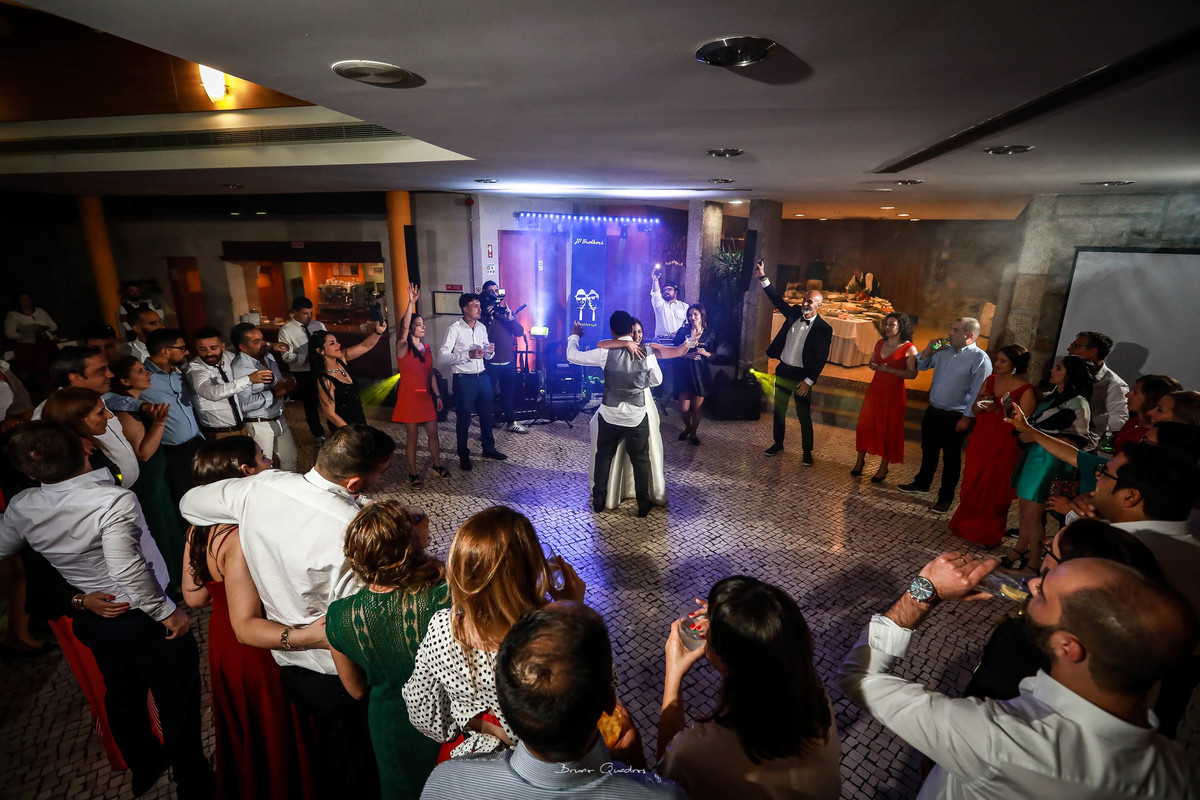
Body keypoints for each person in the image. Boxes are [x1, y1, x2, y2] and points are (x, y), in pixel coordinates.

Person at [837, 551, 1200, 798]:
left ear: (1068, 647)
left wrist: (925, 590)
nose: (1034, 585)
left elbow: (860, 678)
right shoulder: (1178, 772)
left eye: (1047, 593)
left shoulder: (1000, 742)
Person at [179, 423, 396, 799]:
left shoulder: (261, 486)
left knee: (323, 759)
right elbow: (363, 619)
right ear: (355, 482)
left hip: (289, 669)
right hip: (341, 675)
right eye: (381, 472)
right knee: (361, 770)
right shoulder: (354, 533)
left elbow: (189, 503)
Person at [0, 423, 212, 800]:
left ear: (29, 473)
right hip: (140, 617)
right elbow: (126, 569)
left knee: (122, 693)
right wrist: (166, 613)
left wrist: (74, 592)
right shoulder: (112, 500)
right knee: (176, 697)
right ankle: (193, 781)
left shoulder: (21, 505)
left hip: (94, 619)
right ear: (85, 448)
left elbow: (4, 547)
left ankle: (145, 763)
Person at [421, 602, 687, 800]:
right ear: (609, 702)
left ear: (506, 706)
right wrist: (637, 770)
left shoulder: (446, 783)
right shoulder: (663, 795)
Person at [181, 436, 321, 800]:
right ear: (246, 472)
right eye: (262, 458)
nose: (270, 460)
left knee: (248, 726)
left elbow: (194, 596)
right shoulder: (240, 536)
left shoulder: (198, 527)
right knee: (276, 726)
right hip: (257, 646)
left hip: (222, 642)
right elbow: (248, 617)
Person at [403, 506, 585, 759]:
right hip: (545, 768)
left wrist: (480, 724)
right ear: (531, 569)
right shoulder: (554, 638)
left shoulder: (444, 628)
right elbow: (596, 705)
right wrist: (574, 612)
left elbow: (424, 713)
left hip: (472, 765)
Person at [658, 577, 842, 800]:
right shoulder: (815, 697)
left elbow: (661, 785)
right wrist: (734, 621)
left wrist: (673, 677)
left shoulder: (696, 751)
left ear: (722, 656)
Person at [961, 518, 1164, 703]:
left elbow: (978, 704)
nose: (1034, 583)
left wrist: (938, 590)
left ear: (1067, 573)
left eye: (1049, 551)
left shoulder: (1026, 638)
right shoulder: (1121, 644)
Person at [326, 501, 452, 799]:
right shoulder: (446, 594)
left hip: (390, 729)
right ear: (408, 546)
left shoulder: (339, 616)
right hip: (448, 718)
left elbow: (356, 689)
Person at [567, 312, 663, 516]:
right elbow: (657, 380)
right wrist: (640, 382)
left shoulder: (604, 352)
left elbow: (572, 356)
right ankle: (643, 504)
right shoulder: (647, 353)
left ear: (612, 331)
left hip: (610, 414)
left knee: (603, 456)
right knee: (640, 458)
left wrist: (575, 335)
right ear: (631, 330)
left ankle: (599, 500)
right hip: (636, 415)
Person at [589, 319, 690, 511]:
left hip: (640, 402)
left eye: (640, 332)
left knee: (641, 451)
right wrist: (626, 345)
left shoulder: (648, 349)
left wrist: (690, 342)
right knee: (616, 445)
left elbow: (677, 352)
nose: (637, 336)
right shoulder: (616, 348)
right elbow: (601, 343)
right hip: (624, 407)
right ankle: (619, 494)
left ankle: (638, 494)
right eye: (633, 332)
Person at [1005, 355, 1093, 572]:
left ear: (1070, 375)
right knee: (1025, 508)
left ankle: (1035, 561)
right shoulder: (1053, 395)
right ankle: (1020, 549)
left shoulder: (1078, 403)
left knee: (1033, 513)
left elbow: (1078, 440)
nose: (1052, 371)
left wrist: (1036, 436)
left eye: (1058, 368)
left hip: (1051, 461)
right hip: (1035, 456)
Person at [898, 317, 992, 512]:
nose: (950, 333)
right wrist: (929, 349)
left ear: (970, 335)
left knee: (951, 458)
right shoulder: (943, 351)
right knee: (928, 450)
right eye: (951, 329)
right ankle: (922, 484)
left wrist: (967, 418)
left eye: (956, 330)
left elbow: (978, 392)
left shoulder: (980, 359)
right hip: (934, 410)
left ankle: (945, 498)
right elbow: (920, 366)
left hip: (956, 415)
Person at [948, 344, 1038, 546]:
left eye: (1003, 361)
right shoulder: (990, 380)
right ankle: (965, 525)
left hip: (1005, 444)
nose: (997, 364)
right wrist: (981, 403)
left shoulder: (1026, 390)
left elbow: (1023, 425)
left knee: (995, 487)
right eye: (997, 359)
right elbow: (975, 409)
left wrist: (998, 409)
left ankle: (990, 534)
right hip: (981, 439)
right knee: (972, 481)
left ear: (1015, 365)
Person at [109, 355, 183, 589]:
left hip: (157, 478)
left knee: (168, 525)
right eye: (140, 371)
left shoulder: (136, 406)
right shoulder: (125, 413)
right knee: (159, 528)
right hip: (146, 480)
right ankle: (169, 582)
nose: (148, 373)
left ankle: (180, 577)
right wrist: (160, 422)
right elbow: (143, 453)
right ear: (124, 381)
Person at [754, 260, 833, 467]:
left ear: (819, 305)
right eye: (805, 300)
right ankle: (778, 443)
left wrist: (809, 381)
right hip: (783, 370)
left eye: (810, 302)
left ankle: (807, 451)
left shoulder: (824, 329)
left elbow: (821, 357)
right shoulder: (794, 313)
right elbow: (776, 300)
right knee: (779, 411)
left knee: (803, 415)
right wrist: (763, 277)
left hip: (802, 377)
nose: (805, 304)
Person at [141, 328, 206, 510]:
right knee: (186, 501)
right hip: (173, 452)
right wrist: (140, 405)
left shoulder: (180, 373)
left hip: (198, 442)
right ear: (165, 351)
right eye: (182, 348)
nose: (186, 352)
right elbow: (111, 397)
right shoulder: (142, 377)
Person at [439, 292, 506, 471]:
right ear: (465, 308)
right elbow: (443, 357)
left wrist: (490, 351)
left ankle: (488, 447)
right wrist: (467, 354)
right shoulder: (454, 329)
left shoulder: (482, 327)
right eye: (475, 306)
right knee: (464, 418)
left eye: (479, 305)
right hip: (464, 380)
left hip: (482, 376)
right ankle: (463, 454)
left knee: (486, 414)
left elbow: (487, 356)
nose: (479, 309)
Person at [391, 284, 449, 486]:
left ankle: (436, 465)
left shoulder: (427, 348)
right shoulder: (402, 346)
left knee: (433, 434)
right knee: (412, 437)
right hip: (409, 398)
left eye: (423, 323)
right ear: (410, 329)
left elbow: (430, 374)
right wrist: (411, 303)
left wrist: (438, 395)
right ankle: (413, 473)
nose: (422, 326)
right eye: (418, 324)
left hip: (426, 398)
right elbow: (403, 330)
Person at [853, 312, 919, 483]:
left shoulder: (909, 348)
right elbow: (872, 362)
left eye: (892, 324)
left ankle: (884, 466)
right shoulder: (880, 343)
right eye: (886, 324)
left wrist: (891, 370)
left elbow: (912, 374)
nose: (887, 327)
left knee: (889, 429)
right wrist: (872, 365)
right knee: (865, 425)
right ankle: (860, 460)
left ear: (901, 327)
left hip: (893, 395)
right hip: (875, 391)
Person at [43, 385, 142, 491]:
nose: (109, 416)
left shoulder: (88, 445)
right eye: (101, 412)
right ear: (76, 419)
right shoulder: (77, 461)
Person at [231, 322, 299, 471]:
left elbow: (277, 382)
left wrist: (286, 385)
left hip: (279, 418)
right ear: (243, 347)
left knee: (290, 459)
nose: (263, 343)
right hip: (259, 424)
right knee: (263, 469)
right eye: (257, 341)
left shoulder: (267, 355)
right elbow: (243, 405)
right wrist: (274, 393)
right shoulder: (241, 368)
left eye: (262, 339)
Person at [187, 326, 267, 441]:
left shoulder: (229, 357)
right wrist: (249, 379)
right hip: (217, 433)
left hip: (242, 427)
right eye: (202, 349)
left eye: (214, 348)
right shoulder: (195, 369)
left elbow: (247, 347)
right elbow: (212, 393)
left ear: (223, 346)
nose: (209, 353)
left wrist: (270, 345)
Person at [312, 321, 387, 433]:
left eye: (337, 341)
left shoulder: (341, 359)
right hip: (344, 429)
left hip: (359, 422)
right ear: (320, 351)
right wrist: (352, 432)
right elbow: (330, 414)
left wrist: (377, 332)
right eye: (332, 343)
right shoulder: (325, 380)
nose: (338, 345)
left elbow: (365, 346)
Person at [1065, 330, 1128, 450]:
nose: (1069, 349)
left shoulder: (1114, 384)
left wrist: (1085, 418)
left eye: (1075, 346)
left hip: (1082, 447)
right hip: (1054, 434)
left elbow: (1120, 420)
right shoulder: (1071, 372)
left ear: (1093, 352)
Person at [278, 296, 328, 443]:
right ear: (295, 312)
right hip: (303, 372)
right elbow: (286, 356)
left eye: (311, 312)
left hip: (322, 368)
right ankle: (318, 434)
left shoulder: (318, 325)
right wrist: (309, 357)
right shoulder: (286, 330)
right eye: (305, 313)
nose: (309, 316)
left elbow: (328, 342)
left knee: (329, 400)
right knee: (310, 403)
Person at [481, 280, 528, 434]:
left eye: (496, 291)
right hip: (491, 363)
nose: (495, 294)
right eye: (491, 291)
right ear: (485, 294)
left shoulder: (506, 311)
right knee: (488, 396)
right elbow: (482, 336)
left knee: (508, 394)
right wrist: (488, 318)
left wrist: (511, 319)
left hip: (508, 362)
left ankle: (511, 422)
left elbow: (519, 332)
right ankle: (487, 425)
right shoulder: (482, 314)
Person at [671, 303, 715, 445]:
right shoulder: (683, 331)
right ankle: (687, 427)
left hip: (700, 374)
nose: (693, 317)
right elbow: (674, 351)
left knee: (697, 407)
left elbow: (714, 355)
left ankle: (694, 433)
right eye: (690, 315)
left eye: (695, 314)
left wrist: (706, 353)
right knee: (683, 408)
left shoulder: (710, 334)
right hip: (684, 373)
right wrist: (686, 355)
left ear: (702, 316)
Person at [5, 291, 58, 394]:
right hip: (27, 346)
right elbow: (9, 333)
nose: (27, 301)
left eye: (28, 299)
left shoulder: (40, 311)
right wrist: (26, 333)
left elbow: (54, 326)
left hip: (44, 345)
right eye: (23, 299)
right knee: (33, 373)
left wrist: (44, 328)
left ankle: (53, 391)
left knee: (50, 369)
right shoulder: (13, 315)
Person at [649, 265, 687, 341]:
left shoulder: (684, 306)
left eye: (669, 289)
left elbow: (688, 324)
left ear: (676, 292)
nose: (666, 291)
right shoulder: (659, 305)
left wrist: (680, 333)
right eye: (664, 290)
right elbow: (656, 294)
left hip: (680, 341)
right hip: (661, 341)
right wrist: (655, 280)